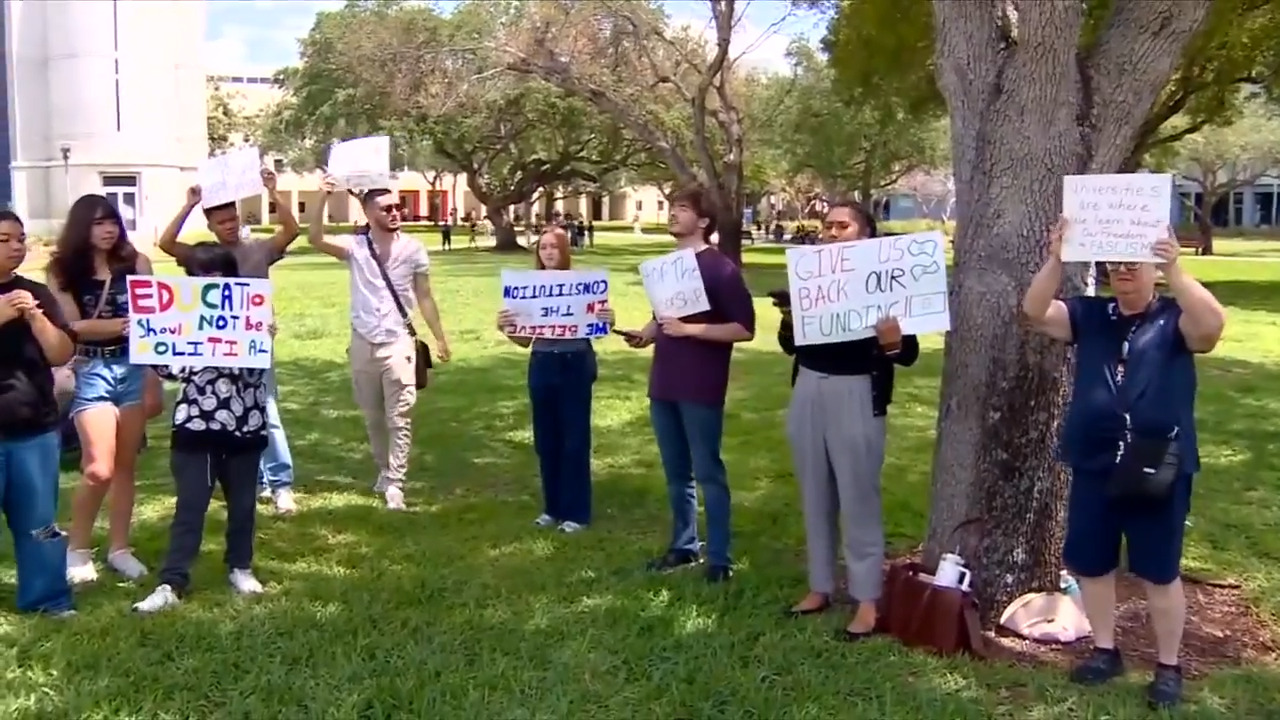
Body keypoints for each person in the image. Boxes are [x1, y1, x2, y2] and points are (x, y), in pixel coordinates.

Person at [1022, 218, 1226, 710]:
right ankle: (1105, 651)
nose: (1124, 270)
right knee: (1093, 564)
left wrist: (1176, 271)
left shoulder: (1175, 317)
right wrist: (1056, 259)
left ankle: (1168, 667)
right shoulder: (1090, 314)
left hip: (1157, 461)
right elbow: (1034, 311)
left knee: (1159, 570)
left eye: (1135, 262)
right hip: (1095, 457)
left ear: (1153, 267)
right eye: (1116, 263)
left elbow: (1212, 327)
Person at [775, 201, 919, 639]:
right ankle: (819, 586)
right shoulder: (812, 278)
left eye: (843, 226)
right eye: (827, 226)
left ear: (865, 235)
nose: (832, 232)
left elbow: (907, 354)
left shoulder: (884, 282)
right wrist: (789, 319)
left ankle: (867, 600)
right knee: (814, 492)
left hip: (857, 392)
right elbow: (791, 346)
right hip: (808, 388)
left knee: (858, 497)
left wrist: (892, 341)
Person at [617, 185, 756, 583]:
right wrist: (645, 334)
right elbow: (664, 317)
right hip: (664, 381)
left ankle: (720, 559)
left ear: (704, 220)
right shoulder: (669, 268)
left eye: (682, 208)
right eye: (671, 207)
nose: (673, 214)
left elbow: (744, 328)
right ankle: (683, 546)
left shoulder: (720, 269)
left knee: (708, 470)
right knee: (676, 472)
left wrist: (691, 330)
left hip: (701, 383)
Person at [132, 243, 270, 613]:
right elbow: (171, 370)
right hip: (196, 426)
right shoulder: (182, 320)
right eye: (201, 277)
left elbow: (254, 374)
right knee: (190, 507)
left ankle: (240, 567)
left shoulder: (251, 314)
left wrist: (262, 337)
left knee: (243, 505)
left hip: (245, 426)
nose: (210, 283)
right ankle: (172, 581)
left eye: (217, 275)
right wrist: (149, 339)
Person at [156, 168, 302, 515]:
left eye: (233, 219)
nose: (230, 226)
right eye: (221, 222)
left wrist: (273, 192)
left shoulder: (258, 250)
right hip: (212, 346)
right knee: (231, 413)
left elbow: (291, 231)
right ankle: (251, 480)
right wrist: (189, 205)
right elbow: (166, 244)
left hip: (254, 342)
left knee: (266, 409)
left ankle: (280, 483)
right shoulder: (202, 257)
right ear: (211, 226)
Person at [308, 176, 451, 510]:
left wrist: (440, 338)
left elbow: (424, 296)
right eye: (386, 209)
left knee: (399, 416)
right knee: (373, 417)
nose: (395, 212)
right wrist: (323, 196)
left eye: (397, 207)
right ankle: (384, 471)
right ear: (368, 213)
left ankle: (396, 482)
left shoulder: (413, 249)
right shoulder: (355, 247)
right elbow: (315, 238)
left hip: (398, 341)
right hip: (362, 342)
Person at [47, 194, 158, 584]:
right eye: (98, 223)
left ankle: (120, 549)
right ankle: (77, 550)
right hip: (91, 368)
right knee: (98, 468)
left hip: (133, 366)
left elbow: (157, 319)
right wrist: (122, 325)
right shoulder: (62, 270)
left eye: (112, 221)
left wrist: (153, 375)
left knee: (126, 466)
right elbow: (73, 327)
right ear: (82, 227)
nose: (108, 229)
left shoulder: (137, 263)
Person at [495, 227, 612, 533]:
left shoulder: (582, 285)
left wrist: (607, 319)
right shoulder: (529, 288)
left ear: (564, 250)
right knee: (546, 440)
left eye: (554, 247)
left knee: (575, 440)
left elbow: (597, 327)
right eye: (543, 247)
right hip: (542, 363)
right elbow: (524, 340)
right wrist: (506, 328)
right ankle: (552, 508)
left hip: (575, 363)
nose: (548, 252)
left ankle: (577, 513)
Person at [0, 210, 77, 615]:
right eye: (4, 240)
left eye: (20, 238)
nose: (16, 246)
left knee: (40, 523)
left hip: (34, 429)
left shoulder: (34, 293)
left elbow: (62, 353)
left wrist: (35, 317)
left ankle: (48, 598)